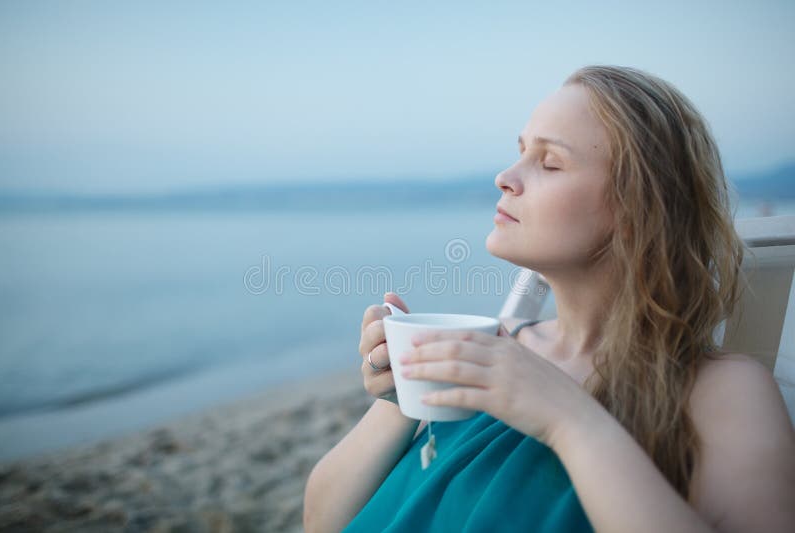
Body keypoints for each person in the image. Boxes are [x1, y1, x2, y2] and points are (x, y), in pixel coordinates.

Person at [303, 65, 795, 533]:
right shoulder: (492, 350)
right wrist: (401, 401)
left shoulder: (722, 393)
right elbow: (321, 521)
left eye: (550, 162)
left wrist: (571, 422)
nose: (505, 176)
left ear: (636, 208)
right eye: (519, 152)